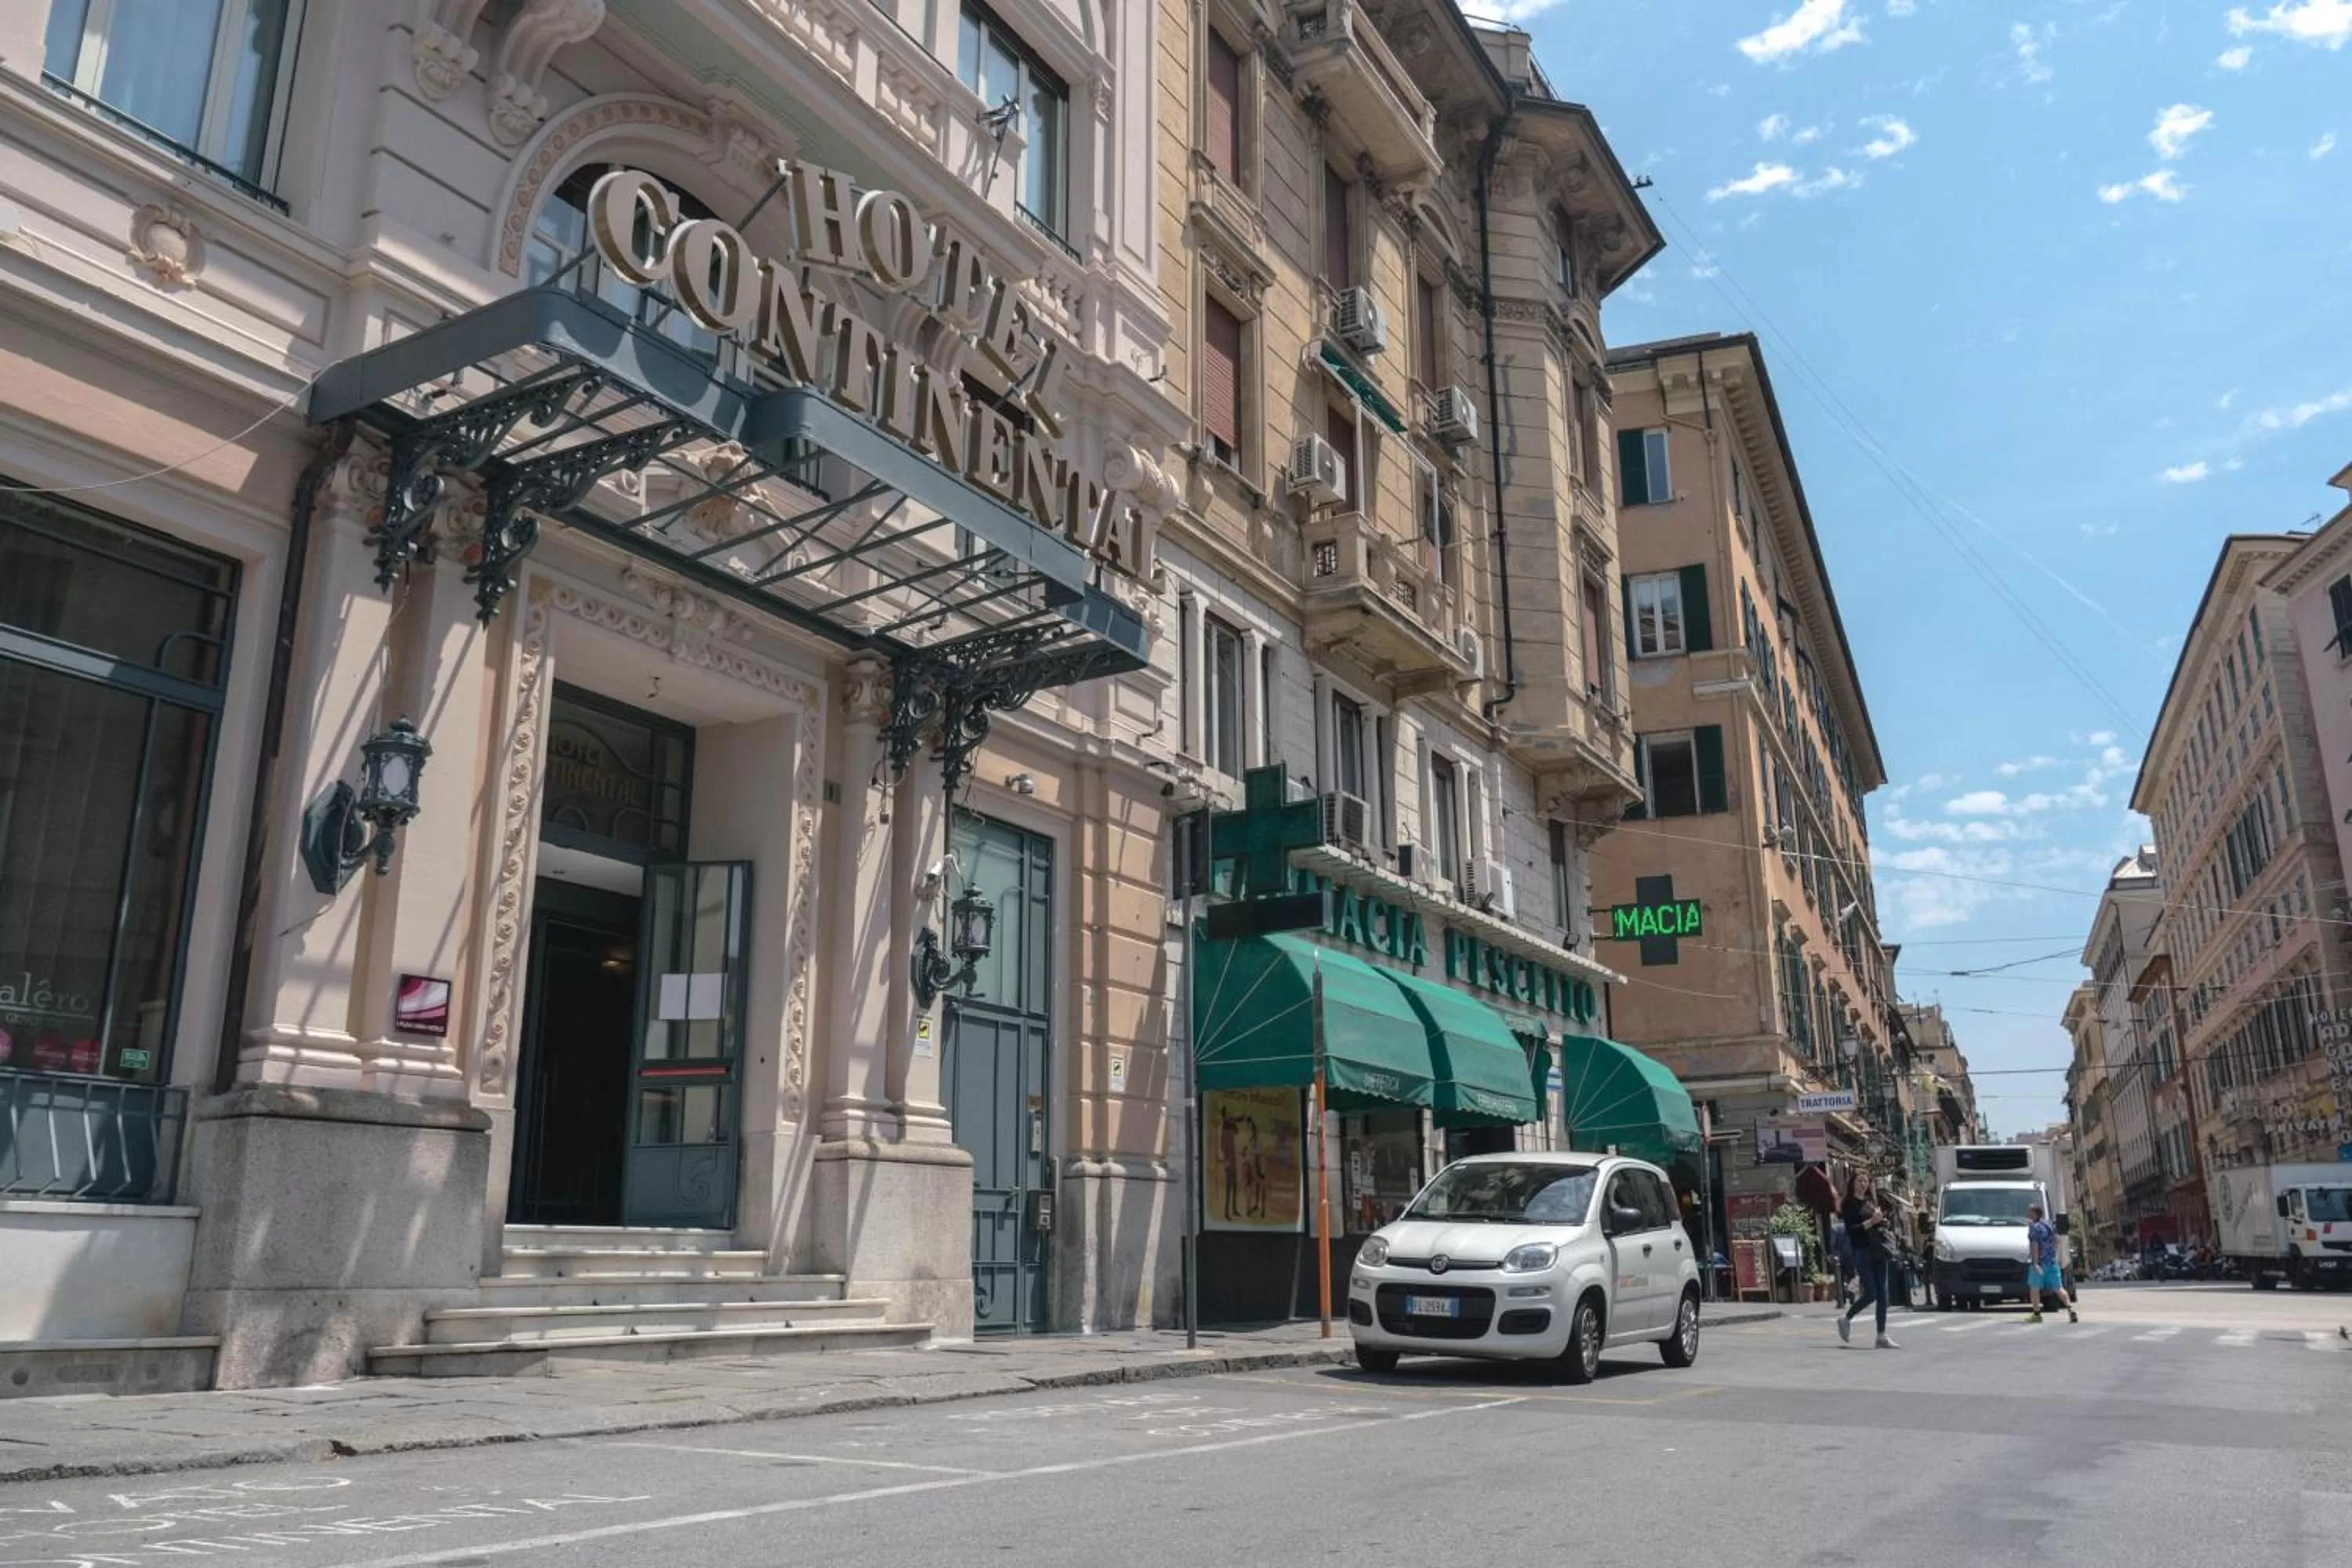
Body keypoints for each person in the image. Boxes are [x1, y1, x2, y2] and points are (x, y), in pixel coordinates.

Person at [1837, 1170, 1899, 1349]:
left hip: (1878, 1249)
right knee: (1871, 1293)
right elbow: (1851, 1229)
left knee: (1883, 1295)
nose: (1863, 1184)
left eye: (1866, 1181)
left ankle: (1881, 1336)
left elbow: (1879, 1223)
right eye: (1859, 1181)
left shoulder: (1871, 1201)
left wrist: (1882, 1221)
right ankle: (1846, 1318)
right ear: (1853, 1183)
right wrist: (1872, 1221)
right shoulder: (1849, 1203)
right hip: (1862, 1250)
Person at [2025, 1203, 2077, 1323]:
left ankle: (2037, 1315)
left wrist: (2036, 1263)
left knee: (2034, 1289)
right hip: (2052, 1263)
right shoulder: (2048, 1225)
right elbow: (2057, 1241)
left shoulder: (2035, 1227)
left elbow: (2035, 1245)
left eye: (2029, 1212)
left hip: (2040, 1264)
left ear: (2034, 1214)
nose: (2027, 1214)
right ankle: (2071, 1309)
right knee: (2059, 1288)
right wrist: (2055, 1256)